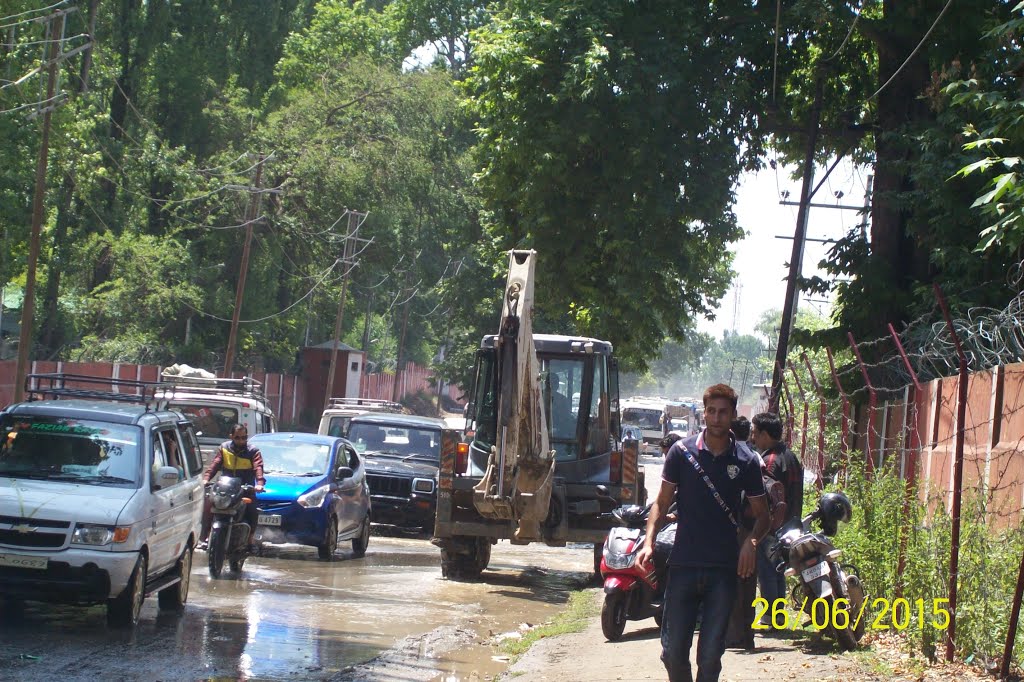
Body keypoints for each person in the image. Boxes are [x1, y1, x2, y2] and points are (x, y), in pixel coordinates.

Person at [638, 384, 769, 682]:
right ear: (704, 413)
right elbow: (661, 503)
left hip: (723, 571)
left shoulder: (746, 461)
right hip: (683, 565)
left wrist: (751, 542)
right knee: (672, 652)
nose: (717, 418)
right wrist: (648, 543)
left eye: (723, 412)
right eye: (712, 411)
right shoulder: (680, 453)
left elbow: (764, 517)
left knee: (710, 658)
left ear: (733, 415)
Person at [751, 412, 804, 607]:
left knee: (767, 572)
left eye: (755, 433)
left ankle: (771, 615)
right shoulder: (789, 455)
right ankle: (778, 615)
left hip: (773, 528)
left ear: (765, 434)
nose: (753, 438)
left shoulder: (771, 461)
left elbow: (768, 496)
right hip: (789, 524)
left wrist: (764, 525)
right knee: (778, 571)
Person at [199, 424, 266, 551]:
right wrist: (206, 479)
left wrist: (259, 484)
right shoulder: (224, 448)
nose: (241, 441)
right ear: (231, 437)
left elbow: (258, 467)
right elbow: (215, 465)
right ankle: (206, 537)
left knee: (252, 509)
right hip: (225, 488)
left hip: (245, 488)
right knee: (208, 505)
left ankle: (250, 540)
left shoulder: (253, 451)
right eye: (237, 438)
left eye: (244, 438)